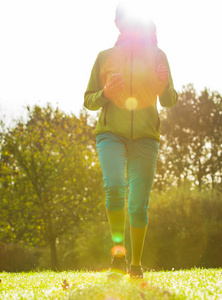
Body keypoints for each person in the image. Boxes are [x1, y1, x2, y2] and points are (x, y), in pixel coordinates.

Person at [84, 4, 178, 279]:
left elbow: (170, 100)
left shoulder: (158, 55)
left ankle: (135, 265)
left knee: (138, 203)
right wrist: (105, 93)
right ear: (117, 23)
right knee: (115, 187)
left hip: (147, 136)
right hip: (110, 133)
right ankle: (118, 258)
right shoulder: (104, 57)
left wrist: (163, 87)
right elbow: (88, 100)